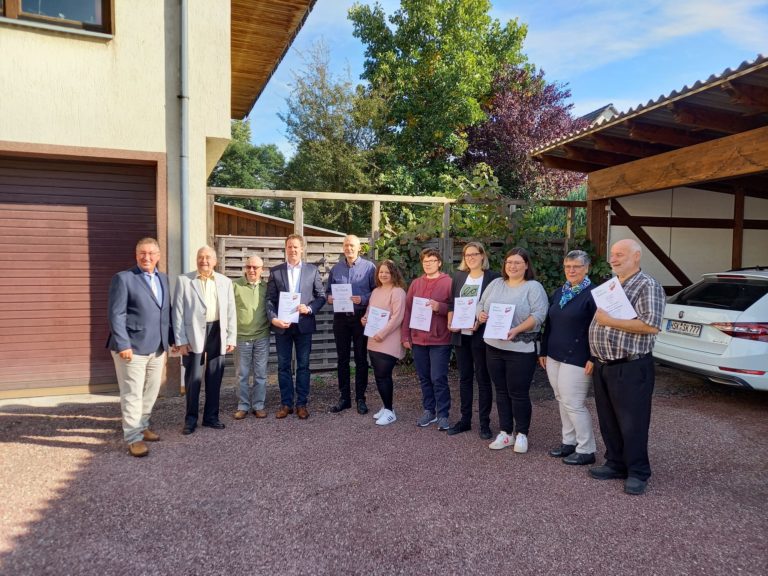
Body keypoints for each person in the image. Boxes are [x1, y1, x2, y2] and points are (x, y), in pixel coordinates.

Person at [588, 239, 665, 495]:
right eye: (612, 254)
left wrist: (610, 321)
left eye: (620, 254)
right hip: (605, 364)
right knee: (608, 419)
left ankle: (638, 472)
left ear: (636, 256)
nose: (614, 259)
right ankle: (615, 463)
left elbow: (651, 325)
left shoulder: (647, 285)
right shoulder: (612, 285)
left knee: (633, 422)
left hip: (630, 366)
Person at [107, 237, 173, 457]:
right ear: (136, 255)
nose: (147, 257)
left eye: (151, 253)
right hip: (131, 348)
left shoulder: (164, 279)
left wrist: (171, 341)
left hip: (157, 347)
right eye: (142, 253)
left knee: (151, 391)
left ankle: (142, 425)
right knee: (132, 393)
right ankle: (133, 438)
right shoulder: (124, 279)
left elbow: (165, 312)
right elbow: (116, 314)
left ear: (158, 256)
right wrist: (123, 343)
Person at [478, 247, 548, 454]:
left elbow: (539, 315)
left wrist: (516, 329)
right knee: (500, 391)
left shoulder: (533, 287)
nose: (512, 266)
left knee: (518, 393)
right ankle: (506, 432)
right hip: (494, 346)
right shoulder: (496, 283)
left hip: (521, 349)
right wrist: (480, 314)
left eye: (517, 262)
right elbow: (480, 304)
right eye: (509, 262)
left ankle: (522, 433)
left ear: (526, 265)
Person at [539, 250, 598, 465]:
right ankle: (569, 442)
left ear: (586, 268)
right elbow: (550, 324)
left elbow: (598, 329)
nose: (571, 270)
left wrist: (593, 357)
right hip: (554, 355)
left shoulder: (594, 294)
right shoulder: (560, 292)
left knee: (573, 403)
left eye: (576, 266)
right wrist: (543, 351)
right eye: (567, 266)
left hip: (578, 357)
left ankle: (586, 449)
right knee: (561, 399)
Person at [173, 245, 237, 435]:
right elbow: (177, 312)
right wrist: (180, 340)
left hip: (217, 331)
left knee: (215, 377)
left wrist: (231, 337)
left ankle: (211, 417)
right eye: (201, 257)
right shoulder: (184, 281)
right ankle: (190, 420)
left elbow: (231, 311)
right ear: (196, 260)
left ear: (215, 261)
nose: (204, 261)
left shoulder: (225, 282)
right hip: (193, 333)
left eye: (208, 257)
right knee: (193, 378)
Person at [266, 233, 325, 420]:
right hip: (282, 326)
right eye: (289, 246)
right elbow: (269, 300)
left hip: (304, 325)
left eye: (295, 247)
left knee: (303, 366)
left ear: (302, 249)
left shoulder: (312, 271)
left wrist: (309, 308)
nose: (292, 250)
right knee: (283, 366)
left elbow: (321, 296)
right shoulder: (276, 271)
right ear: (285, 249)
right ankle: (286, 404)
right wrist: (273, 319)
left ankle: (301, 404)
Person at [446, 242, 500, 440]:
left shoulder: (493, 278)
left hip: (481, 335)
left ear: (482, 255)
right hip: (461, 336)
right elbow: (452, 304)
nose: (471, 258)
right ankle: (465, 420)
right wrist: (450, 323)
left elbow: (495, 305)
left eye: (474, 254)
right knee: (465, 378)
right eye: (467, 255)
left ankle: (484, 423)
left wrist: (479, 321)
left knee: (483, 379)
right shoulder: (459, 277)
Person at [401, 248, 453, 431]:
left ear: (439, 263)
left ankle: (443, 414)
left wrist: (440, 307)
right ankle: (429, 411)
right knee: (424, 377)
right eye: (425, 261)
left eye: (432, 260)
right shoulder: (416, 283)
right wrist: (405, 335)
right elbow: (408, 310)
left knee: (438, 377)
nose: (428, 264)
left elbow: (455, 307)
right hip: (418, 339)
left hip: (440, 339)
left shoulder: (448, 282)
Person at [326, 235, 376, 415]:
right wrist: (329, 298)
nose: (349, 248)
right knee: (342, 359)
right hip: (340, 319)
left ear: (359, 248)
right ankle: (344, 398)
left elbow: (377, 292)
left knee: (361, 359)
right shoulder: (336, 269)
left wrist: (362, 299)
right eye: (346, 245)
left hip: (360, 318)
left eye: (352, 245)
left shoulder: (369, 267)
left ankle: (360, 398)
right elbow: (327, 292)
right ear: (343, 248)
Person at [361, 260, 407, 426]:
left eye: (387, 272)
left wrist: (382, 333)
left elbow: (397, 318)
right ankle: (387, 407)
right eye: (381, 272)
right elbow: (370, 310)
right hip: (374, 339)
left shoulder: (398, 292)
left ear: (393, 273)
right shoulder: (376, 291)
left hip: (388, 340)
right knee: (379, 376)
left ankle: (389, 411)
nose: (383, 275)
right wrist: (365, 318)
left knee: (383, 375)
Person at [232, 255, 270, 420]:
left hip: (262, 336)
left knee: (260, 374)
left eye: (255, 267)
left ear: (262, 270)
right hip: (241, 337)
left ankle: (259, 405)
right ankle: (243, 406)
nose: (252, 270)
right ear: (245, 268)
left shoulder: (266, 288)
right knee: (242, 374)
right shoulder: (235, 286)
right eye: (249, 267)